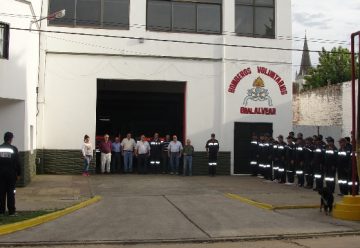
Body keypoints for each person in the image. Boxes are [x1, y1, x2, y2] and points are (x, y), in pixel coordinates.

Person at [0, 132, 21, 216]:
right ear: (10, 139)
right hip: (11, 175)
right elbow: (17, 163)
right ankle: (11, 211)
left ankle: (1, 211)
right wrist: (19, 174)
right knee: (11, 193)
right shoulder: (13, 149)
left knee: (1, 193)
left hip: (0, 175)